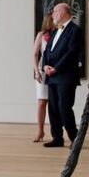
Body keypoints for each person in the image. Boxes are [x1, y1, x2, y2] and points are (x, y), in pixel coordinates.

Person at [41, 2, 82, 148]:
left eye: (55, 12)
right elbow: (47, 51)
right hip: (52, 75)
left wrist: (56, 68)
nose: (52, 15)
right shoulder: (55, 30)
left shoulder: (75, 30)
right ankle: (57, 137)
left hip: (66, 76)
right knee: (52, 108)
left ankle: (75, 138)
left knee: (64, 107)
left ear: (63, 12)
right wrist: (45, 65)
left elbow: (71, 53)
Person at [32, 12, 54, 142]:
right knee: (41, 102)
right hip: (42, 70)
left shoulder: (59, 33)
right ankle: (40, 131)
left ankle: (56, 131)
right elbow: (35, 54)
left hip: (56, 70)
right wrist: (36, 70)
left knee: (55, 103)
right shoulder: (41, 35)